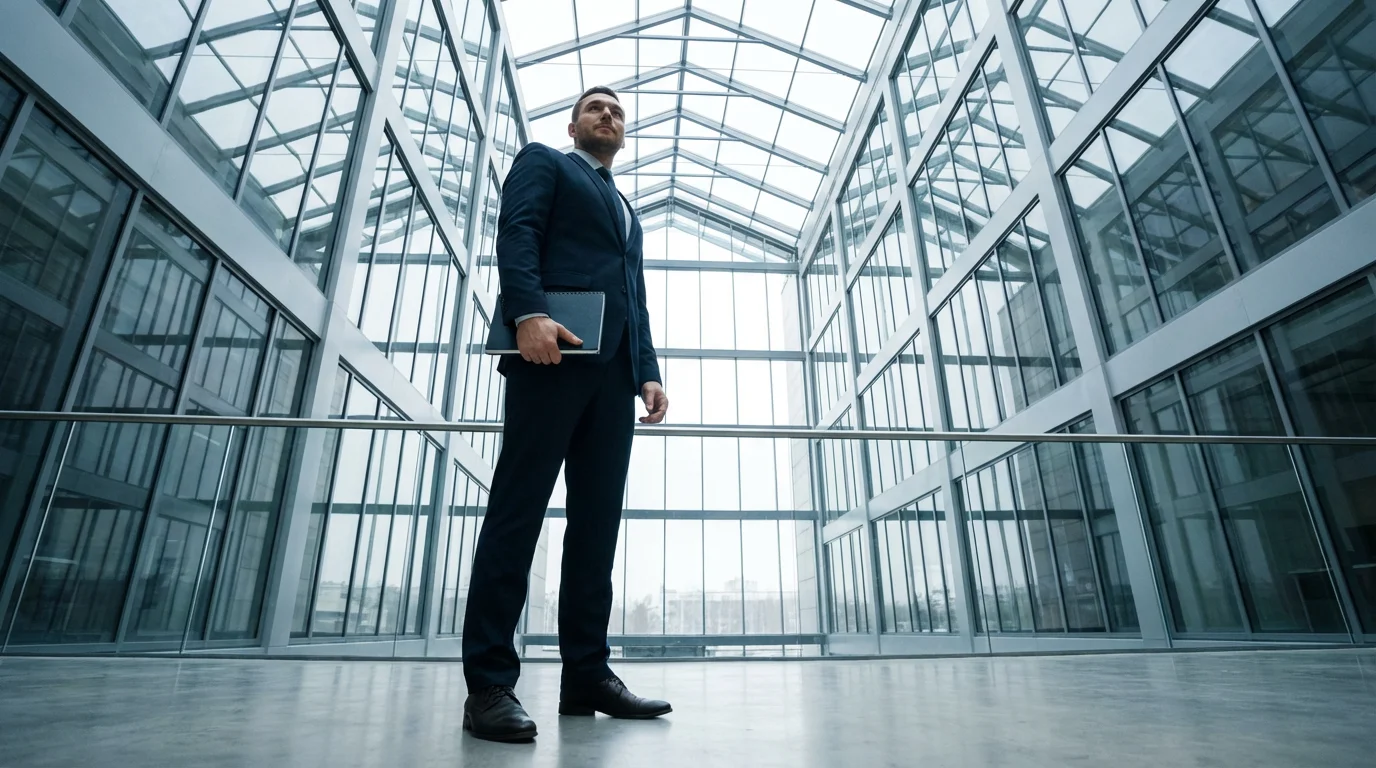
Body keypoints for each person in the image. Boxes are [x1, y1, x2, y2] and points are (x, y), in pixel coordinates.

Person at [460, 85, 672, 743]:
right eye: (595, 108)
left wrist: (648, 370)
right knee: (517, 514)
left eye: (617, 112)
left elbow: (632, 294)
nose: (607, 116)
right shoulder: (543, 162)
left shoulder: (626, 207)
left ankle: (586, 676)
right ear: (573, 123)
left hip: (612, 379)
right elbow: (517, 233)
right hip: (550, 356)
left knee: (596, 529)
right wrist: (527, 313)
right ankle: (489, 686)